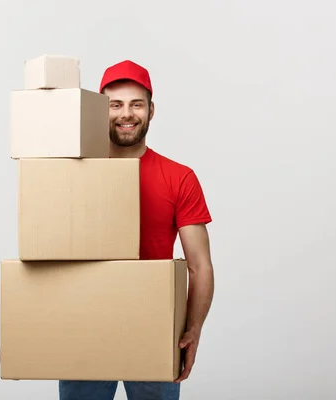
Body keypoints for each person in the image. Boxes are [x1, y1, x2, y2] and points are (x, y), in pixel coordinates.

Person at [58, 60, 215, 400]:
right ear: (100, 110)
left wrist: (193, 329)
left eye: (136, 104)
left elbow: (199, 265)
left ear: (151, 111)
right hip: (87, 326)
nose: (126, 114)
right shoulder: (72, 174)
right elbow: (47, 252)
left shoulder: (179, 178)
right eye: (115, 104)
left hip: (153, 328)